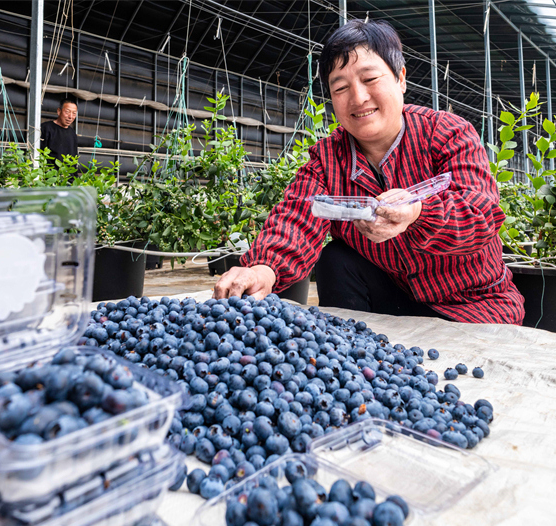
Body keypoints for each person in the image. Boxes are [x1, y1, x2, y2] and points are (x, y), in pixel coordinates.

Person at [213, 19, 524, 325]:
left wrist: (417, 213)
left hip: (473, 304)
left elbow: (480, 215)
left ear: (400, 78)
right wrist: (262, 270)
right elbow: (297, 217)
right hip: (393, 300)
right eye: (341, 87)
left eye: (370, 79)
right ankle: (352, 351)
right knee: (336, 259)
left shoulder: (446, 133)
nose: (358, 97)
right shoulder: (327, 159)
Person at [40, 97, 81, 163]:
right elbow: (39, 153)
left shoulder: (72, 133)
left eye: (74, 113)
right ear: (59, 111)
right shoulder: (46, 128)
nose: (70, 116)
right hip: (49, 172)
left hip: (67, 172)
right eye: (67, 112)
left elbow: (74, 157)